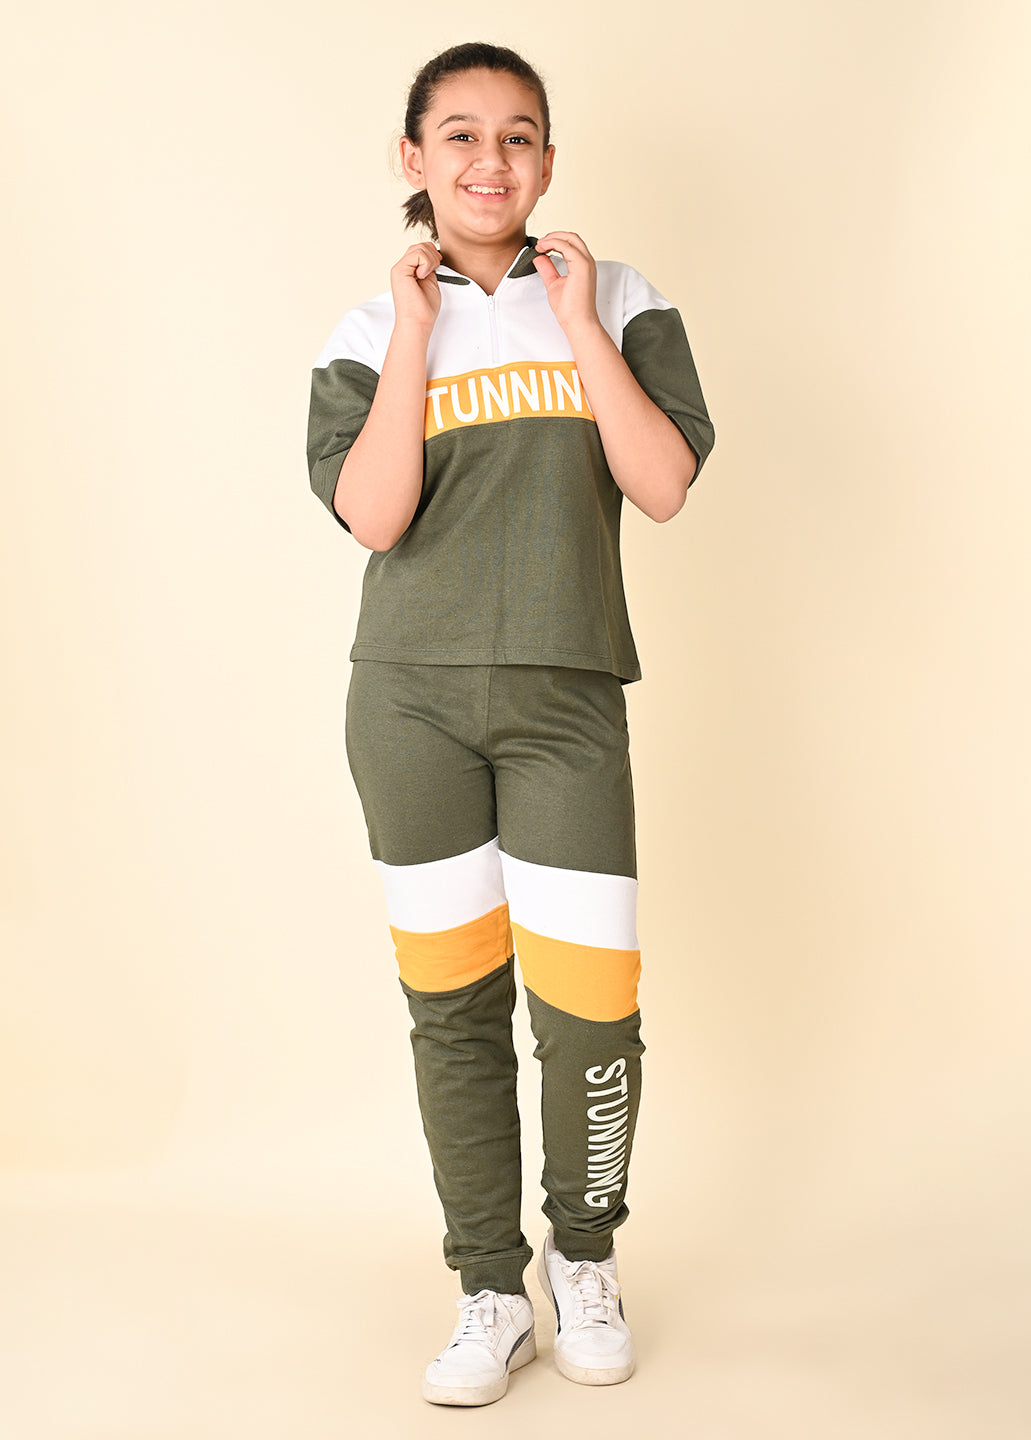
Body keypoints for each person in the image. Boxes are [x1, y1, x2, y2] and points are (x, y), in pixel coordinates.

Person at [306, 41, 714, 1408]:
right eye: (462, 135)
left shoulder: (622, 298)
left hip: (565, 697)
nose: (492, 160)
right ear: (414, 160)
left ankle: (582, 1256)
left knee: (592, 1011)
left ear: (547, 160)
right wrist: (414, 329)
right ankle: (490, 1286)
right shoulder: (364, 335)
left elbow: (661, 482)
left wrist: (582, 324)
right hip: (409, 702)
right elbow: (377, 516)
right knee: (454, 1010)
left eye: (520, 135)